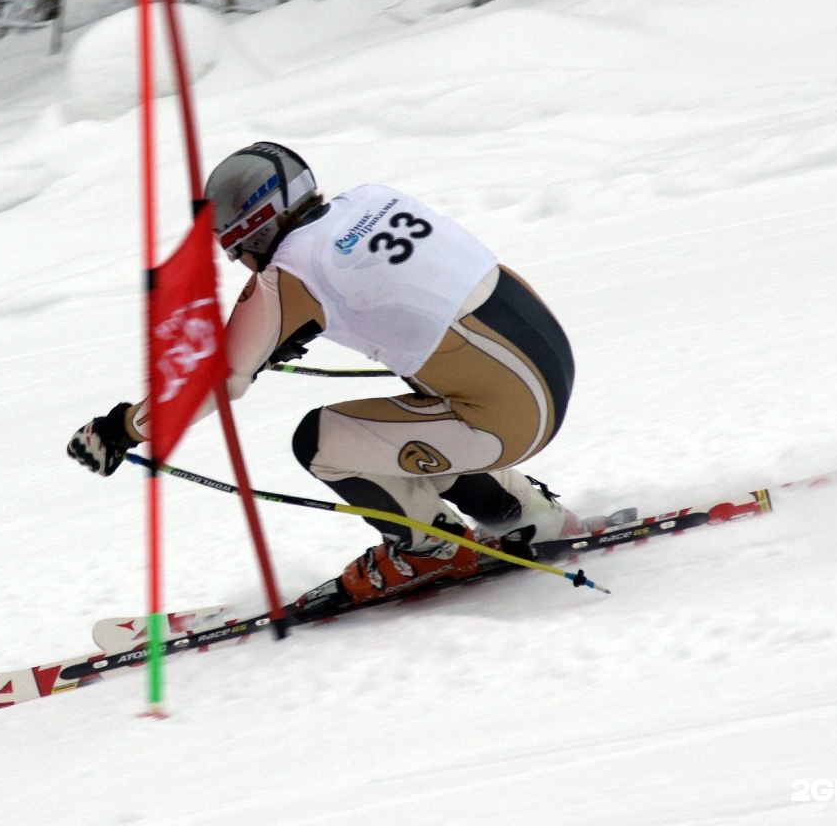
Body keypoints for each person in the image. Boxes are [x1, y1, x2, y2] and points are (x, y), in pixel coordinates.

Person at [67, 142, 583, 618]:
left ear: (261, 230)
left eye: (238, 250)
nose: (243, 265)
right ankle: (523, 512)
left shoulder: (288, 275)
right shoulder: (372, 198)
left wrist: (122, 431)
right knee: (406, 417)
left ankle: (429, 550)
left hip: (511, 422)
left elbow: (216, 380)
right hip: (548, 367)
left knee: (322, 441)